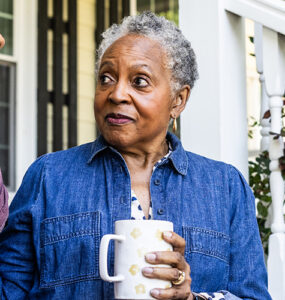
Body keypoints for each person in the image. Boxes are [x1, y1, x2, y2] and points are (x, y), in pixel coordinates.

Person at [0, 12, 271, 299]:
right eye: (106, 78)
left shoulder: (225, 187)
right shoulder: (48, 176)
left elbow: (252, 295)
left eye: (139, 81)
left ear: (178, 100)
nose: (116, 94)